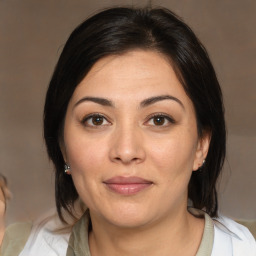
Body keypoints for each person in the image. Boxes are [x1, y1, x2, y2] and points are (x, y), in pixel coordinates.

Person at [1, 6, 255, 256]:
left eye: (158, 120)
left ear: (201, 145)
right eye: (97, 120)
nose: (126, 151)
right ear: (62, 145)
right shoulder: (15, 247)